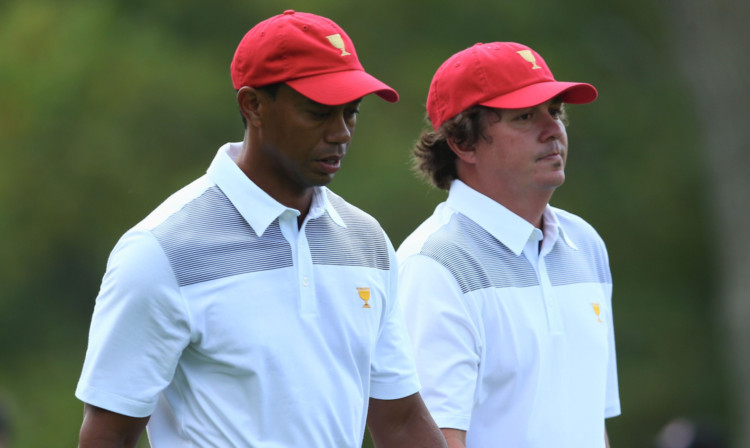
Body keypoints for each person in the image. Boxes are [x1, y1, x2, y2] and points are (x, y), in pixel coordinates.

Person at [75, 10, 446, 447]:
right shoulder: (160, 251)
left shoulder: (366, 242)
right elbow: (108, 435)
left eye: (351, 113)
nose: (341, 132)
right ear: (253, 105)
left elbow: (400, 421)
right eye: (319, 113)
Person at [397, 42, 621, 448]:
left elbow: (591, 425)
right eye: (524, 117)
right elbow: (435, 437)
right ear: (462, 143)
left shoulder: (585, 244)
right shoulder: (433, 264)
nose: (553, 130)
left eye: (554, 112)